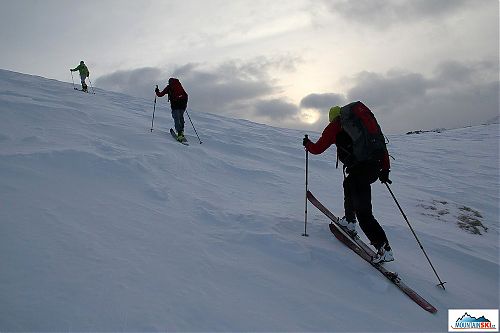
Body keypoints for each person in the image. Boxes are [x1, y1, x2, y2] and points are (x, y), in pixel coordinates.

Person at [303, 102, 394, 263]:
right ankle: (349, 221)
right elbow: (381, 147)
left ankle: (384, 248)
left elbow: (318, 148)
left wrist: (308, 145)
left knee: (364, 212)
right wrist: (385, 170)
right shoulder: (362, 127)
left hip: (361, 170)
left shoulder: (336, 126)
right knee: (348, 184)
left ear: (333, 118)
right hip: (374, 167)